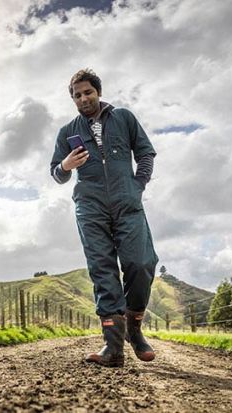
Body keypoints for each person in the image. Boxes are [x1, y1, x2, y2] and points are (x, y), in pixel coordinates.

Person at [50, 68, 158, 367]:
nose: (83, 99)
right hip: (90, 206)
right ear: (72, 99)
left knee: (141, 263)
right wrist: (66, 164)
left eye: (88, 92)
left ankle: (133, 328)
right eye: (77, 95)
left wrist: (138, 185)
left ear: (98, 91)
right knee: (103, 269)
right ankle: (113, 349)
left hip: (128, 201)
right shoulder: (66, 132)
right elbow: (56, 174)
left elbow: (146, 153)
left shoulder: (123, 117)